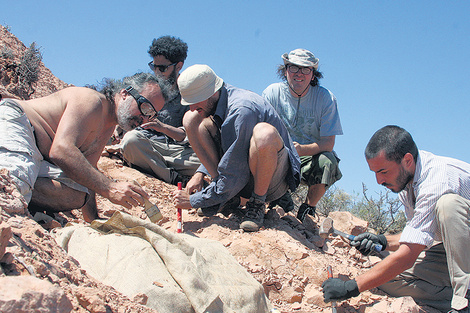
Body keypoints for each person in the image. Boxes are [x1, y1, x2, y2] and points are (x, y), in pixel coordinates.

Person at [322, 125, 470, 313]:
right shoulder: (406, 183)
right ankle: (457, 298)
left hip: (464, 253)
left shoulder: (436, 181)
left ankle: (461, 302)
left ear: (407, 160)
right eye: (374, 173)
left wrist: (350, 287)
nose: (378, 181)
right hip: (457, 254)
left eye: (383, 171)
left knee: (448, 205)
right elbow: (419, 235)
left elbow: (408, 255)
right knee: (389, 279)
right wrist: (382, 242)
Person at [0, 72, 174, 222]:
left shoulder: (108, 126)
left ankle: (23, 192)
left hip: (37, 156)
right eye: (144, 107)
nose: (144, 118)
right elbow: (61, 150)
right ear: (125, 93)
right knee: (13, 187)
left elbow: (88, 170)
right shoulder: (92, 101)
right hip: (19, 123)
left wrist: (93, 219)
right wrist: (109, 187)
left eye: (151, 115)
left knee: (78, 194)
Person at [172, 64, 301, 232]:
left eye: (195, 101)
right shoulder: (219, 100)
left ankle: (257, 203)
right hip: (244, 171)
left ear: (211, 92)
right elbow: (231, 150)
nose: (191, 106)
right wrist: (200, 173)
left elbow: (235, 172)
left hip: (273, 180)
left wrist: (194, 201)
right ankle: (227, 197)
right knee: (191, 118)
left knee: (264, 134)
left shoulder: (241, 109)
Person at [262, 48, 342, 223]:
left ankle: (308, 207)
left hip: (308, 157)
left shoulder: (326, 99)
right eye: (294, 68)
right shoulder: (272, 93)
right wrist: (286, 150)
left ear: (313, 75)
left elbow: (328, 143)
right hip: (278, 156)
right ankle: (275, 196)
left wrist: (301, 150)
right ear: (285, 71)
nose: (299, 73)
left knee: (328, 161)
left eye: (306, 69)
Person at [119, 36, 200, 186]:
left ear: (179, 66)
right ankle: (175, 179)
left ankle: (155, 168)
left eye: (162, 68)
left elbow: (189, 135)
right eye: (153, 66)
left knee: (207, 160)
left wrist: (162, 127)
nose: (157, 72)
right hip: (146, 145)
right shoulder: (146, 87)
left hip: (178, 151)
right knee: (131, 141)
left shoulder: (190, 93)